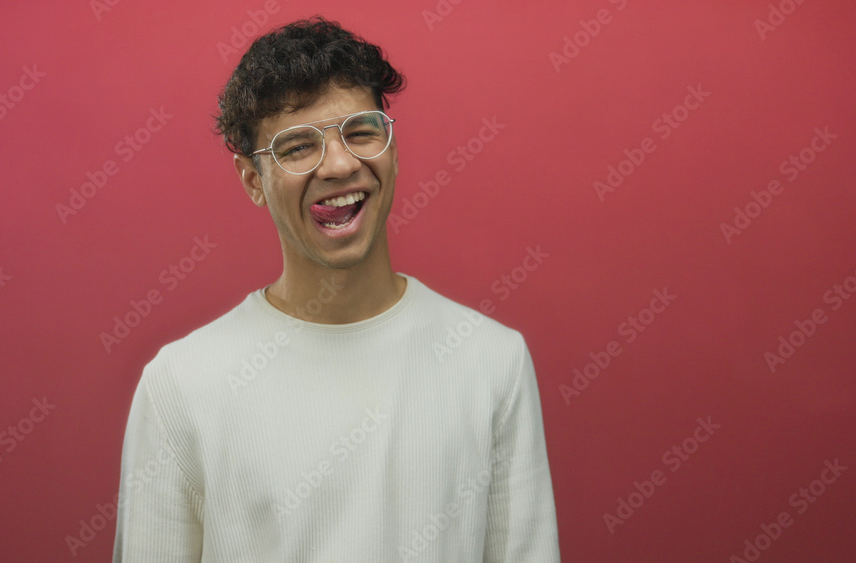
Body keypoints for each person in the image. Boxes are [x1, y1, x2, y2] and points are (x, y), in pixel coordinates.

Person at [113, 16, 560, 562]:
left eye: (361, 132)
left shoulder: (492, 361)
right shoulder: (180, 386)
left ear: (392, 148)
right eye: (297, 146)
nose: (341, 165)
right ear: (253, 180)